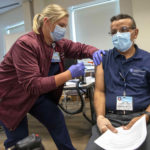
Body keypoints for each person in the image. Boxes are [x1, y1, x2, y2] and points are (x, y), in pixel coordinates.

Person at [0, 4, 104, 150]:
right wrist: (69, 74)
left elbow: (80, 48)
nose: (63, 29)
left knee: (56, 119)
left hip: (35, 95)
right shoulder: (26, 44)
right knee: (20, 142)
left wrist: (95, 52)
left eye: (65, 26)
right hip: (13, 98)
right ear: (47, 22)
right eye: (61, 25)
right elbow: (33, 84)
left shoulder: (57, 44)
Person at [86, 14, 150, 150]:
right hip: (111, 118)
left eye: (124, 29)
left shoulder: (148, 60)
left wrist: (146, 116)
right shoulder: (104, 59)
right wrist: (100, 117)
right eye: (114, 32)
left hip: (142, 118)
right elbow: (99, 91)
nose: (118, 35)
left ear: (135, 33)